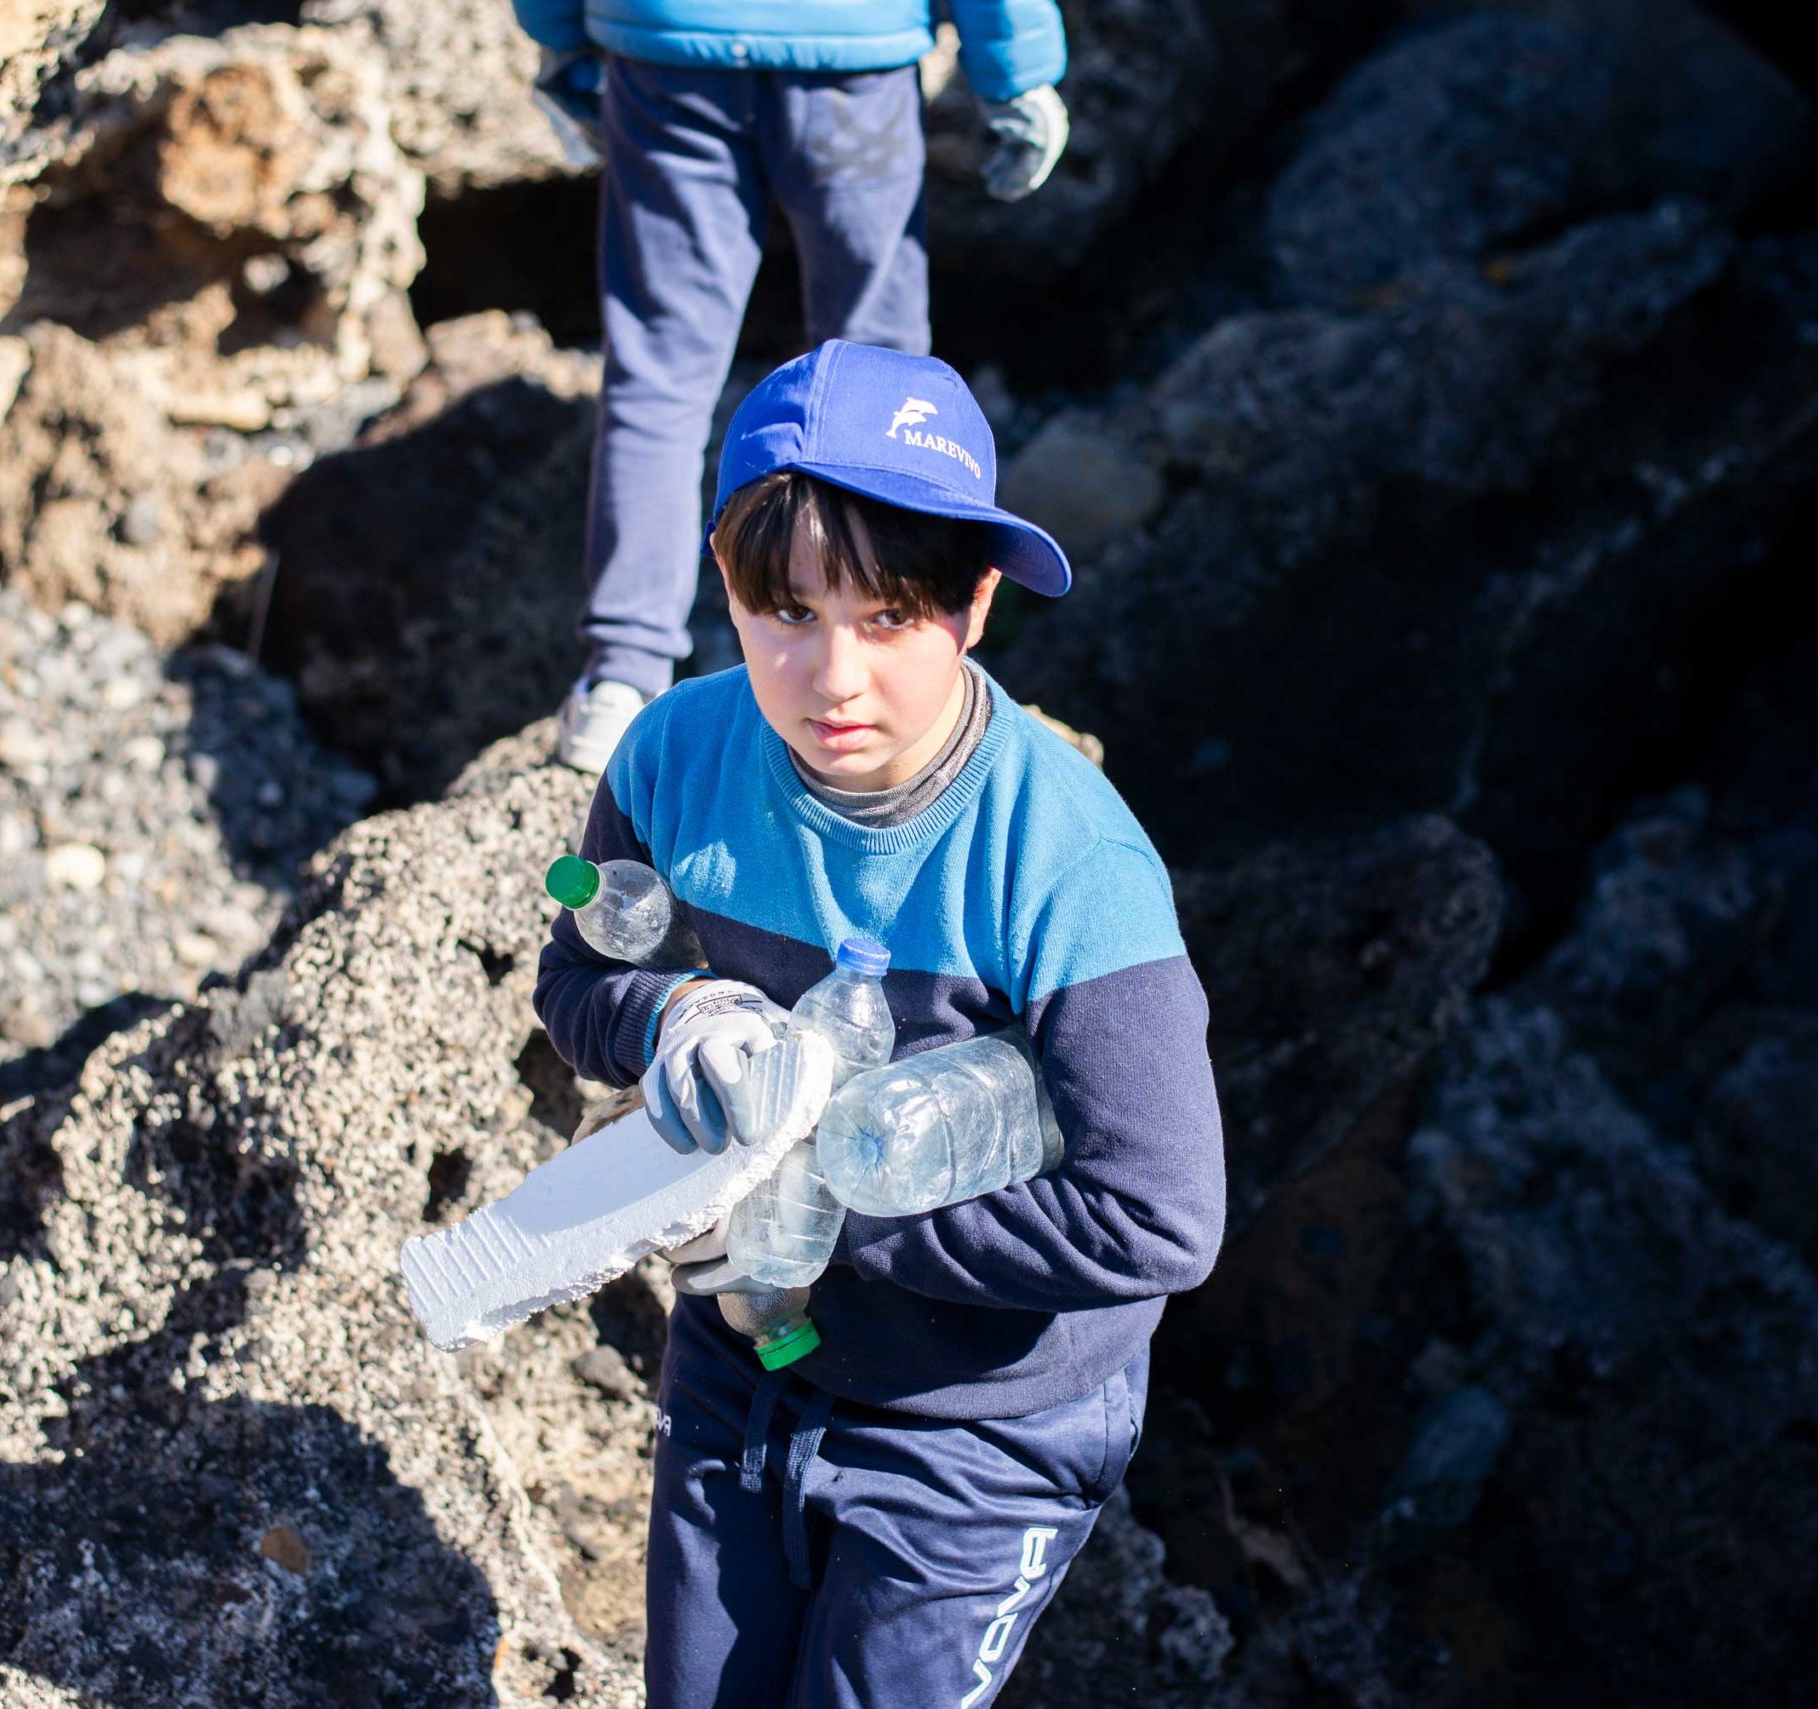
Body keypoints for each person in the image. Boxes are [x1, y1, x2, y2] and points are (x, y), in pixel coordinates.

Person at [534, 339, 1225, 1708]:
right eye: (784, 609)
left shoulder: (1067, 866)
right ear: (723, 583)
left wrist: (834, 1207)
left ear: (976, 599)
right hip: (746, 1359)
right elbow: (576, 982)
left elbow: (1161, 1219)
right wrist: (680, 1010)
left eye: (890, 616)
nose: (831, 676)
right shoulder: (675, 757)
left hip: (982, 1429)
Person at [511, 0, 1075, 772]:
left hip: (669, 45)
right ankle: (896, 652)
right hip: (854, 51)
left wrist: (561, 35)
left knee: (657, 375)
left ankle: (622, 679)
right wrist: (1017, 72)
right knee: (887, 386)